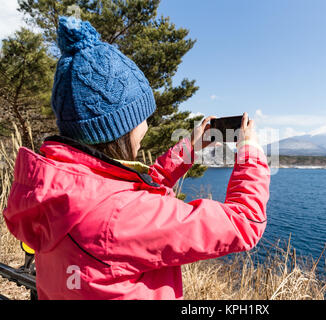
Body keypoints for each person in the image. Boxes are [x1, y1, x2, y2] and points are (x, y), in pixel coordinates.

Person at [2, 16, 270, 300]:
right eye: (141, 117)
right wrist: (250, 152)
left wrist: (188, 150)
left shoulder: (53, 195)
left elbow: (122, 192)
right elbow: (244, 222)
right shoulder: (120, 218)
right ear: (118, 129)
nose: (146, 126)